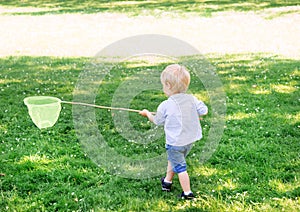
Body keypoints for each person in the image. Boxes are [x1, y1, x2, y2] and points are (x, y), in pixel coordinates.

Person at [139, 64, 208, 200]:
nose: (162, 88)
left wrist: (147, 114)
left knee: (180, 167)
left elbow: (157, 121)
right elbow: (204, 110)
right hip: (189, 141)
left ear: (168, 85)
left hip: (175, 143)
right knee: (174, 160)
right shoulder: (192, 99)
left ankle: (187, 193)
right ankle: (167, 182)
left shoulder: (165, 105)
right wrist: (196, 113)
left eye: (163, 85)